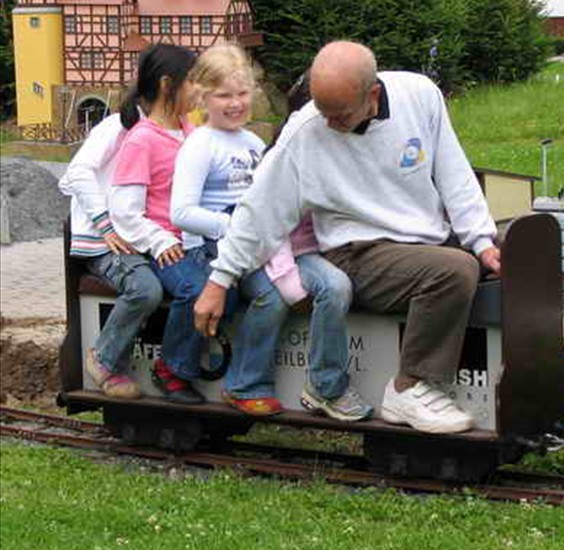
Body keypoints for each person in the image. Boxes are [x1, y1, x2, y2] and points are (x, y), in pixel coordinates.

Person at [194, 41, 500, 434]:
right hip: (353, 251)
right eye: (323, 111)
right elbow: (260, 210)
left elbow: (453, 171)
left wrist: (482, 240)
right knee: (453, 270)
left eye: (339, 115)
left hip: (421, 243)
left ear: (372, 95)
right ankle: (409, 387)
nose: (329, 123)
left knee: (478, 258)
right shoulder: (306, 130)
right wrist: (220, 280)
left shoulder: (419, 96)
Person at [170, 44, 371, 420]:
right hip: (216, 247)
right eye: (224, 95)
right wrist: (235, 225)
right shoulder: (200, 144)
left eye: (242, 93)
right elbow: (181, 212)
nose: (235, 103)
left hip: (266, 243)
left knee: (332, 285)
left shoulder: (253, 143)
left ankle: (326, 385)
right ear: (202, 96)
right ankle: (245, 384)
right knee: (271, 296)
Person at [107, 43, 203, 404]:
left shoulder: (191, 132)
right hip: (166, 246)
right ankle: (172, 368)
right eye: (192, 81)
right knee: (194, 289)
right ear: (167, 85)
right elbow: (125, 210)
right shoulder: (142, 141)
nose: (199, 89)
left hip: (197, 238)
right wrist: (160, 241)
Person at [58, 113, 161, 400]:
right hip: (106, 243)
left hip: (150, 238)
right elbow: (78, 172)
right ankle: (105, 358)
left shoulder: (182, 128)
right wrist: (105, 224)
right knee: (144, 288)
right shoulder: (119, 126)